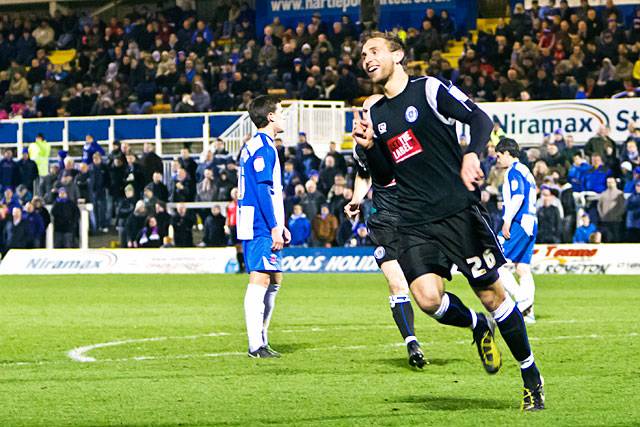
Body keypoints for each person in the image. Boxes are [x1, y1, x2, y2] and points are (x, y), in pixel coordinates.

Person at [352, 32, 544, 410]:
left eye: (374, 51)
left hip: (458, 212)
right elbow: (385, 175)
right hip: (415, 220)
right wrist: (370, 149)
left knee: (492, 295)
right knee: (426, 299)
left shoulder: (430, 90)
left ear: (398, 55)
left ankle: (530, 375)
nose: (367, 59)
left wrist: (473, 154)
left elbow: (480, 118)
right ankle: (477, 326)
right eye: (362, 55)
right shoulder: (375, 115)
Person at [345, 141, 426, 368]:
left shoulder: (408, 134)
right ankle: (412, 343)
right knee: (397, 284)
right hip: (385, 222)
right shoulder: (362, 147)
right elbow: (363, 173)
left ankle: (474, 322)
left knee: (429, 298)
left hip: (416, 221)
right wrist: (356, 199)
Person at [237, 95, 291, 358]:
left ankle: (262, 338)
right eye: (280, 111)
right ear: (270, 117)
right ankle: (255, 345)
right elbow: (262, 190)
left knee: (274, 278)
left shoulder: (255, 145)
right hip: (259, 222)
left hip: (257, 219)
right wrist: (273, 227)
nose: (283, 115)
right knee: (260, 278)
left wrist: (281, 223)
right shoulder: (264, 148)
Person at [494, 139, 538, 324]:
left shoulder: (513, 171)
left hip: (519, 222)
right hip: (531, 221)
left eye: (498, 156)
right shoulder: (525, 170)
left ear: (506, 153)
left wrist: (507, 220)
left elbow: (518, 196)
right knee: (522, 268)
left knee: (496, 261)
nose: (497, 160)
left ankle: (521, 302)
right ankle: (529, 314)